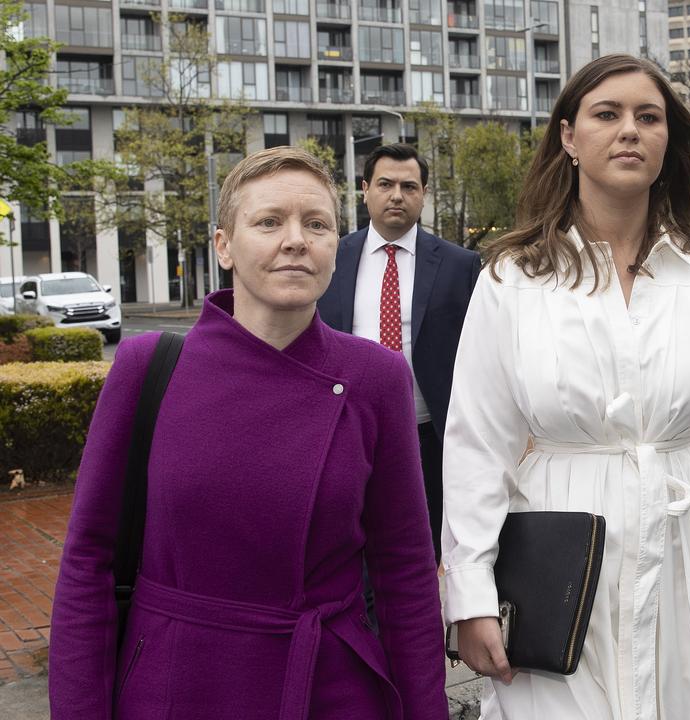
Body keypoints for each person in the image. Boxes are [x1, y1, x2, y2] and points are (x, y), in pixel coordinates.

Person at [442, 54, 690, 719]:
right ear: (569, 138)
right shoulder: (513, 279)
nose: (629, 130)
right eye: (607, 114)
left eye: (648, 117)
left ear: (671, 141)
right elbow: (475, 447)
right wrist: (471, 593)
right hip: (562, 561)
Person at [49, 146, 448, 719]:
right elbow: (88, 562)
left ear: (337, 243)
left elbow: (405, 572)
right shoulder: (148, 368)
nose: (296, 240)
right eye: (268, 222)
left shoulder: (377, 377)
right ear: (224, 245)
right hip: (177, 684)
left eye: (317, 224)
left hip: (328, 689)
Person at [317, 142, 481, 563]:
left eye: (409, 186)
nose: (396, 195)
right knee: (345, 549)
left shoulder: (460, 266)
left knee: (419, 553)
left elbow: (478, 353)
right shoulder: (332, 256)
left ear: (424, 194)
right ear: (365, 190)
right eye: (386, 184)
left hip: (427, 437)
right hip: (345, 430)